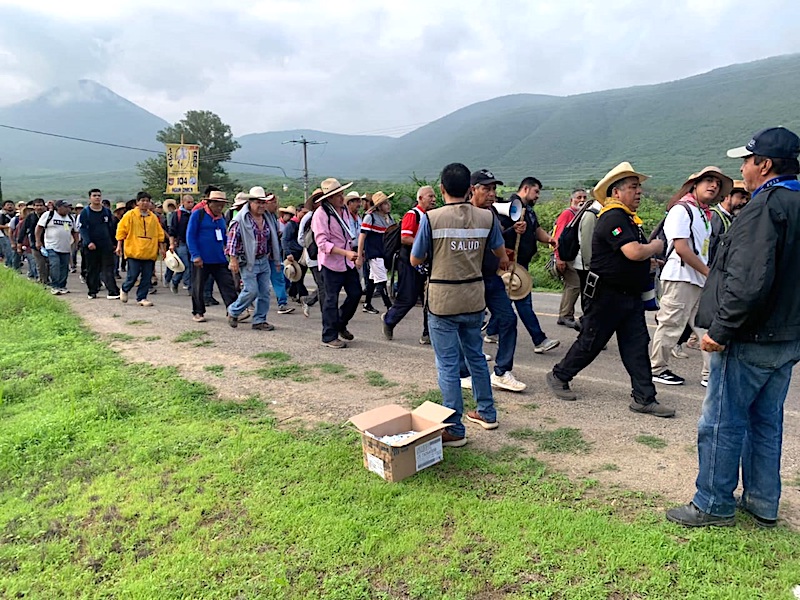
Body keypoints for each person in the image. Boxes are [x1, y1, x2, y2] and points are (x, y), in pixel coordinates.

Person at [667, 126, 800, 528]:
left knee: (722, 420)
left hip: (750, 337)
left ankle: (712, 502)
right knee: (766, 421)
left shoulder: (764, 207)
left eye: (746, 160)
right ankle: (762, 500)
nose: (741, 168)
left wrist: (720, 331)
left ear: (764, 164)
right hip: (786, 335)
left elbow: (747, 280)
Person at [545, 162, 674, 418]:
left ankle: (644, 398)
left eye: (639, 187)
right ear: (616, 192)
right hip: (607, 295)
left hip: (628, 295)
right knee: (591, 342)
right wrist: (655, 247)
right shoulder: (613, 216)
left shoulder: (627, 218)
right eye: (633, 187)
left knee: (636, 346)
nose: (639, 192)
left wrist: (648, 262)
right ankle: (559, 375)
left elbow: (627, 257)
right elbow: (633, 251)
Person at [410, 163, 509, 446]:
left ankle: (454, 428)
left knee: (448, 364)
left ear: (441, 189)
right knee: (476, 357)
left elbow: (416, 259)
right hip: (474, 298)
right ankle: (487, 412)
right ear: (469, 189)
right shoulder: (486, 218)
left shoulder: (431, 218)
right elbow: (500, 254)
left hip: (442, 300)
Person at [650, 167, 732, 388]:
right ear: (695, 184)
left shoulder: (703, 213)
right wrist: (709, 273)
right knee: (671, 324)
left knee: (705, 326)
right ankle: (657, 368)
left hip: (697, 279)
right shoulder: (682, 210)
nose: (713, 185)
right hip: (680, 276)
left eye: (717, 183)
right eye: (708, 180)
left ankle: (710, 374)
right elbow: (682, 249)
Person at [461, 169, 526, 392]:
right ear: (473, 189)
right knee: (468, 325)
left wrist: (510, 235)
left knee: (508, 318)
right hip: (470, 279)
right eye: (486, 189)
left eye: (493, 189)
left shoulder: (493, 214)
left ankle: (501, 372)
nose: (491, 194)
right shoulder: (464, 215)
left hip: (491, 278)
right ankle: (462, 372)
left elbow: (495, 240)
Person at [492, 177, 560, 354]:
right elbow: (496, 236)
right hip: (511, 263)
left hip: (522, 263)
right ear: (526, 189)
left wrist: (549, 239)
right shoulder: (507, 208)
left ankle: (491, 331)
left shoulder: (529, 211)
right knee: (523, 301)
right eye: (536, 192)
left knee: (505, 300)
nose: (538, 196)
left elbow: (536, 230)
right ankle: (539, 339)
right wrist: (513, 230)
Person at [311, 178, 361, 349]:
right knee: (330, 299)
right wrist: (345, 252)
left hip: (347, 262)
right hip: (331, 264)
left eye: (342, 194)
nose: (342, 198)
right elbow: (322, 244)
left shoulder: (344, 211)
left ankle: (340, 323)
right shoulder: (321, 214)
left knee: (355, 293)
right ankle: (329, 336)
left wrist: (353, 254)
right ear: (328, 198)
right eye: (337, 195)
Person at [382, 185, 436, 344]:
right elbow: (405, 238)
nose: (433, 199)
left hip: (424, 263)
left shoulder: (430, 215)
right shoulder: (413, 215)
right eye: (430, 196)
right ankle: (389, 320)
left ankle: (428, 333)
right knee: (408, 298)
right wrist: (424, 248)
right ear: (420, 199)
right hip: (409, 263)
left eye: (434, 196)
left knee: (429, 299)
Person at [226, 193, 279, 330]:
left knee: (264, 292)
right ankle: (233, 311)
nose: (261, 205)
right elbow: (232, 240)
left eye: (263, 202)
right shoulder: (241, 220)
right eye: (258, 202)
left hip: (264, 259)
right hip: (248, 260)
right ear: (250, 202)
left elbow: (272, 239)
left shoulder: (268, 218)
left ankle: (259, 320)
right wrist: (233, 259)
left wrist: (276, 259)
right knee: (251, 290)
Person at [186, 190, 239, 322]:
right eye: (217, 204)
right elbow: (190, 235)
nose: (220, 207)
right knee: (198, 286)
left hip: (219, 258)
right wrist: (195, 255)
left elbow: (225, 237)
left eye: (222, 204)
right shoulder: (198, 215)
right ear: (209, 203)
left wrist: (231, 251)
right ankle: (198, 312)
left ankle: (232, 310)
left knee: (228, 284)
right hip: (201, 259)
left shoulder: (221, 218)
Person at [115, 191, 166, 307]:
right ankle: (125, 288)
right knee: (133, 275)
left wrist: (162, 248)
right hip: (134, 251)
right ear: (137, 202)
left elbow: (159, 234)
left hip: (149, 251)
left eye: (147, 201)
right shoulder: (130, 215)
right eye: (142, 200)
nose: (145, 203)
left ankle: (142, 297)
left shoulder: (153, 217)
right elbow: (121, 231)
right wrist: (119, 246)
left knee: (147, 276)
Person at [250, 186, 295, 315]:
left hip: (273, 253)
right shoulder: (254, 217)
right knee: (256, 283)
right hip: (259, 255)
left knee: (278, 277)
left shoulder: (272, 218)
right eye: (272, 202)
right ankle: (249, 303)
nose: (275, 205)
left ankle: (282, 303)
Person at [553, 189, 588, 330]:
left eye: (584, 197)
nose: (582, 200)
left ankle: (565, 314)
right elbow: (558, 237)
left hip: (574, 255)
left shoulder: (581, 214)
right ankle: (565, 315)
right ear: (571, 200)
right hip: (567, 256)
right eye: (579, 197)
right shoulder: (568, 214)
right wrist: (559, 258)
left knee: (572, 285)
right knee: (574, 285)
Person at [80, 188, 121, 299]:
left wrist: (113, 243)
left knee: (108, 268)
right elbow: (83, 229)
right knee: (92, 269)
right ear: (90, 198)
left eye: (99, 195)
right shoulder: (85, 212)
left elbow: (111, 228)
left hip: (106, 245)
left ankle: (112, 291)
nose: (97, 197)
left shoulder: (106, 211)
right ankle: (92, 291)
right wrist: (88, 242)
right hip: (91, 246)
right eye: (94, 195)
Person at [358, 191, 395, 315]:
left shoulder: (390, 218)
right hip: (374, 253)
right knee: (381, 280)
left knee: (373, 280)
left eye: (388, 202)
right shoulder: (370, 217)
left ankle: (367, 304)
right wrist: (359, 255)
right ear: (379, 206)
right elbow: (362, 237)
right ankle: (389, 307)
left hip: (385, 253)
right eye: (385, 203)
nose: (388, 205)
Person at [35, 200, 79, 294]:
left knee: (64, 267)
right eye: (65, 207)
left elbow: (74, 231)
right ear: (58, 207)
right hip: (51, 246)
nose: (68, 209)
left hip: (65, 247)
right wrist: (38, 241)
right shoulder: (48, 215)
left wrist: (76, 242)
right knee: (55, 265)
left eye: (69, 207)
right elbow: (39, 228)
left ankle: (62, 286)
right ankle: (54, 285)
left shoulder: (70, 218)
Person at [708, 180, 750, 265]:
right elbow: (710, 247)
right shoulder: (714, 216)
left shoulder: (733, 218)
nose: (745, 202)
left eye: (747, 199)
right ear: (727, 196)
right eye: (742, 197)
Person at [298, 189, 325, 318]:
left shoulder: (330, 215)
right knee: (322, 285)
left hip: (326, 257)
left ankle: (308, 300)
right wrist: (311, 247)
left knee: (325, 285)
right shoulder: (308, 217)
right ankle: (326, 313)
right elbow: (300, 238)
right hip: (313, 257)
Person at [167, 194, 196, 294]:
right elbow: (172, 231)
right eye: (188, 202)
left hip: (192, 243)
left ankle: (190, 287)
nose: (191, 204)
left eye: (192, 202)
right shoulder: (177, 214)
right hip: (181, 243)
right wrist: (171, 244)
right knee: (184, 265)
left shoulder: (194, 213)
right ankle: (178, 281)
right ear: (183, 202)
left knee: (192, 266)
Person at [282, 204, 309, 302]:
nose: (305, 215)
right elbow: (285, 239)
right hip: (293, 253)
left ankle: (293, 293)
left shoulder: (305, 224)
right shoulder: (291, 225)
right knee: (298, 275)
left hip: (302, 253)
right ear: (298, 212)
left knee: (299, 275)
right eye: (303, 212)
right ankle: (303, 294)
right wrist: (288, 253)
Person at [0, 200, 16, 268]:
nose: (10, 206)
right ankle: (9, 264)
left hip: (14, 234)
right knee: (8, 250)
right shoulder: (1, 215)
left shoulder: (16, 214)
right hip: (4, 235)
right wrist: (9, 226)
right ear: (4, 207)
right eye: (8, 205)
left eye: (11, 204)